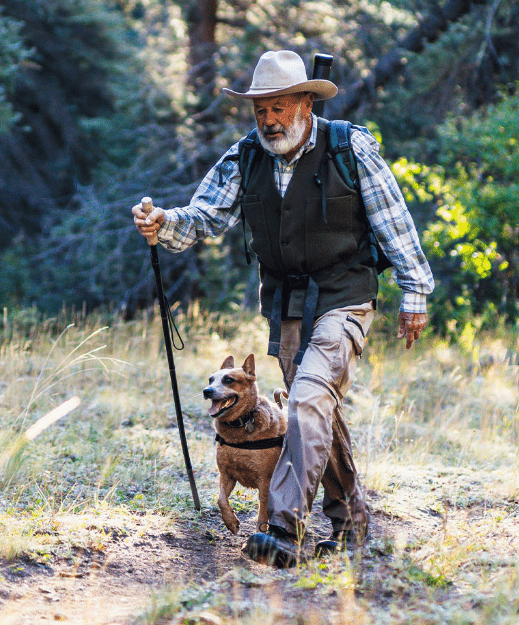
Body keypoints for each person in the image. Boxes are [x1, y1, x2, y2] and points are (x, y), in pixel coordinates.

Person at [132, 50, 434, 567]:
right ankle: (350, 523)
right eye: (260, 111)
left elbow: (394, 220)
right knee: (315, 409)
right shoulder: (245, 156)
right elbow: (205, 215)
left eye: (278, 108)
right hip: (287, 304)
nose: (269, 121)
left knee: (308, 400)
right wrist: (163, 222)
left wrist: (415, 291)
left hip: (345, 295)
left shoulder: (350, 147)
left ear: (304, 103)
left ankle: (284, 528)